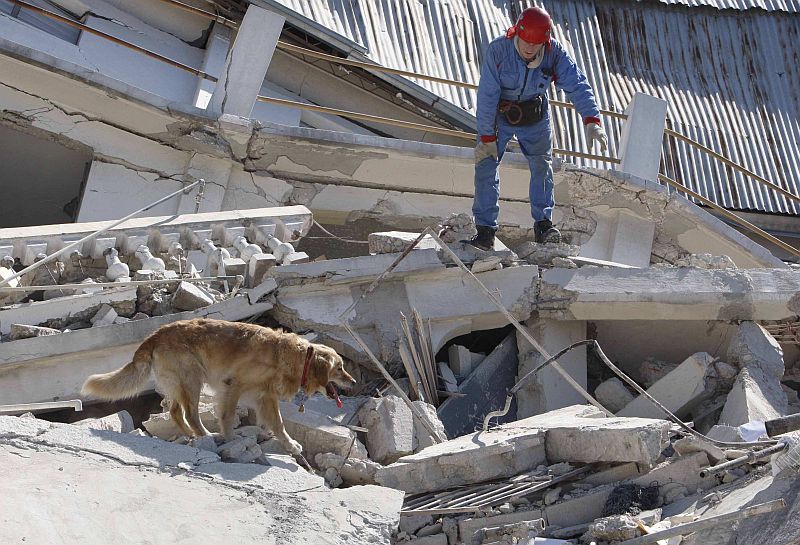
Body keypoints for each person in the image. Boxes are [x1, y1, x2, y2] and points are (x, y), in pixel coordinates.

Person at [466, 6, 608, 251]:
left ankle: (544, 225)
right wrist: (487, 136)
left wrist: (592, 120)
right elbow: (488, 96)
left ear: (545, 41)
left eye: (536, 44)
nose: (529, 49)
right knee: (486, 164)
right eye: (525, 42)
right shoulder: (498, 51)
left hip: (535, 117)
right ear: (516, 34)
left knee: (542, 166)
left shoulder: (555, 54)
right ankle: (485, 230)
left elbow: (577, 84)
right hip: (499, 116)